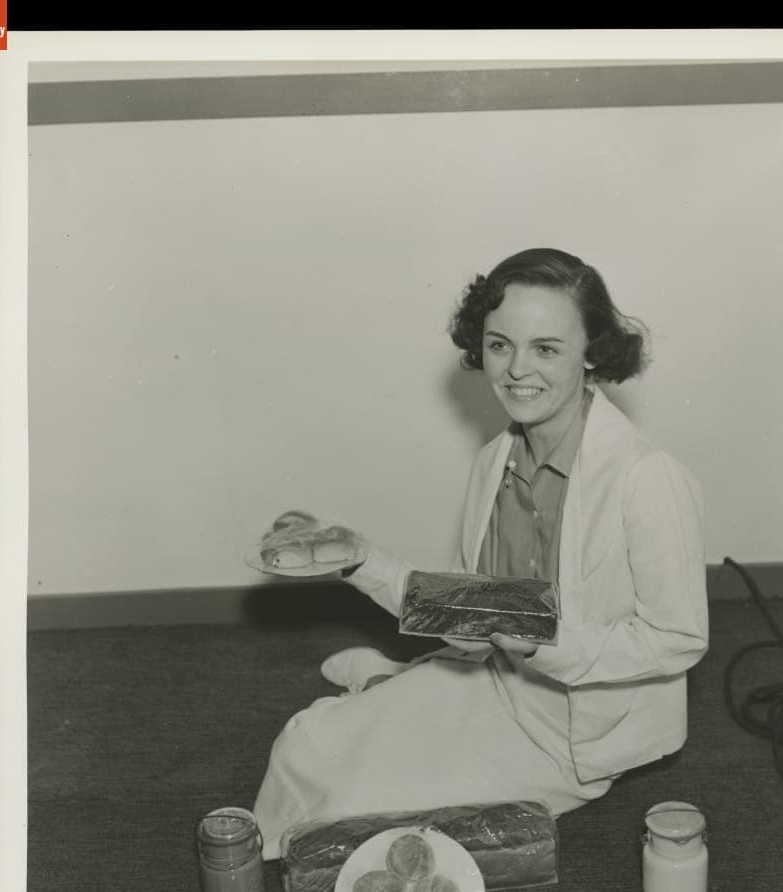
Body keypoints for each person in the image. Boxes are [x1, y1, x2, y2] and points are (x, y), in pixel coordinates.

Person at [253, 248, 709, 858]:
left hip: (571, 737)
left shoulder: (647, 478)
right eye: (500, 345)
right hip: (494, 679)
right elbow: (474, 607)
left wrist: (546, 641)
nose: (517, 370)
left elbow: (678, 637)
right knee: (305, 742)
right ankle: (396, 685)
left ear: (592, 353)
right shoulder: (494, 459)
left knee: (347, 813)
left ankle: (392, 686)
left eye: (546, 348)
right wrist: (358, 558)